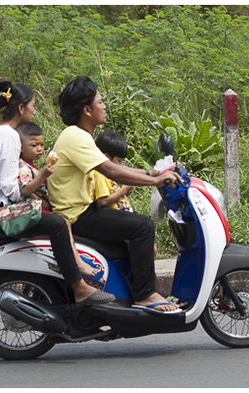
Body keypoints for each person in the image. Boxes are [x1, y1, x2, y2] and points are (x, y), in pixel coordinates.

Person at [0, 77, 112, 305]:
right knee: (57, 224)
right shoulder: (9, 137)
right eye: (33, 106)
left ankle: (70, 274)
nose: (35, 111)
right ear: (21, 108)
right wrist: (36, 189)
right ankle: (80, 288)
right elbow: (12, 189)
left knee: (57, 219)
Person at [47, 75, 182, 315]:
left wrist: (152, 171)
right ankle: (143, 295)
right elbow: (110, 170)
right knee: (142, 227)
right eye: (100, 102)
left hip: (82, 211)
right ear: (87, 109)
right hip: (78, 216)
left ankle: (132, 292)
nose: (104, 106)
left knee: (133, 231)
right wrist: (154, 180)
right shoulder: (76, 137)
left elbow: (114, 167)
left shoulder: (78, 135)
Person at [93, 130, 177, 302]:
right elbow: (103, 201)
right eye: (118, 162)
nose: (121, 166)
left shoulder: (108, 172)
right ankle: (153, 290)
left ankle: (148, 286)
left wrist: (150, 174)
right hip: (113, 220)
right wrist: (123, 190)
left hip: (120, 216)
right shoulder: (100, 173)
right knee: (149, 245)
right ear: (106, 157)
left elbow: (121, 182)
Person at [16, 122, 100, 277]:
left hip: (41, 205)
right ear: (21, 147)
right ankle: (77, 263)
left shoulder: (31, 166)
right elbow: (25, 190)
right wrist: (43, 176)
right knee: (64, 224)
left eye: (42, 145)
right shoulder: (22, 167)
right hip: (30, 209)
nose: (39, 149)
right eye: (34, 145)